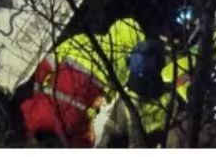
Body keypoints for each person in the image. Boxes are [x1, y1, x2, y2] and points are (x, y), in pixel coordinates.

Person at [19, 17, 146, 148]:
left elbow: (47, 63)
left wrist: (37, 89)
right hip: (70, 126)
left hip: (42, 109)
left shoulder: (85, 39)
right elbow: (104, 104)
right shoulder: (122, 69)